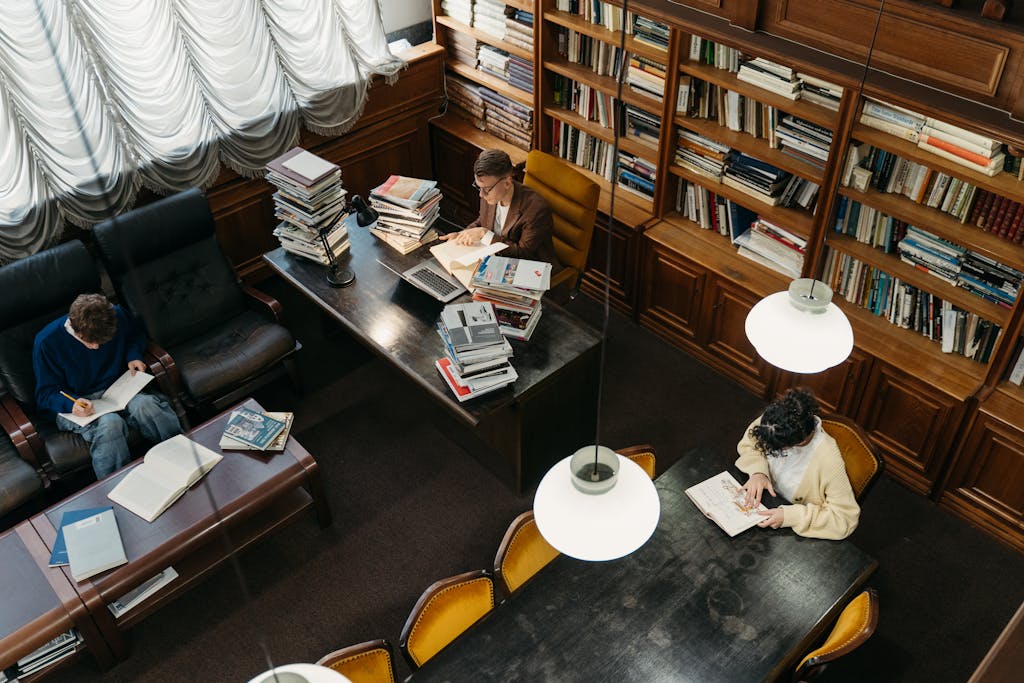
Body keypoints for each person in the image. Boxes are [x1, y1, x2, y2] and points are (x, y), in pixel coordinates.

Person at [33, 293, 183, 479]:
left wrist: (133, 355)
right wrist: (71, 405)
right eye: (90, 342)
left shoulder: (117, 315)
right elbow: (45, 393)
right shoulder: (46, 342)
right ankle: (118, 484)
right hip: (77, 403)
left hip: (117, 388)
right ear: (74, 328)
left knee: (147, 406)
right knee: (110, 423)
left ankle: (183, 457)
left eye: (103, 342)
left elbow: (134, 335)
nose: (97, 347)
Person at [735, 388, 860, 540]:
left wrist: (790, 516)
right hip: (763, 501)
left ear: (797, 443)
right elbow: (750, 444)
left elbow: (844, 519)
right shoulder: (774, 421)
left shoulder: (828, 459)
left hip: (789, 525)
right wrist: (758, 472)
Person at [439, 149, 562, 267]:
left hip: (529, 270)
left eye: (486, 190)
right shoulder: (490, 191)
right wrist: (462, 235)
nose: (481, 195)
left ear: (507, 183)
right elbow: (482, 221)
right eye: (478, 187)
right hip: (495, 259)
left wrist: (484, 234)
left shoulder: (536, 209)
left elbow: (523, 254)